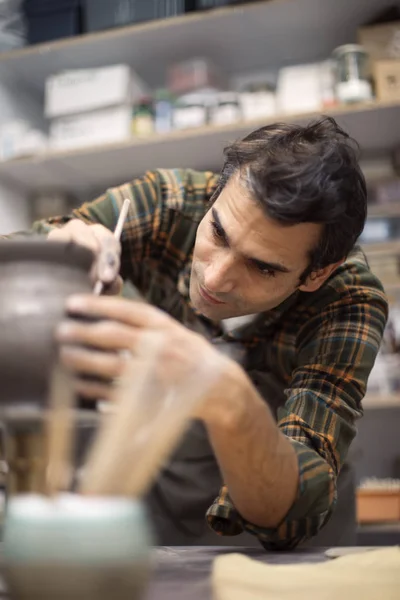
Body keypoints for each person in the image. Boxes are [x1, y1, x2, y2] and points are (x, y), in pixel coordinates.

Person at [14, 117, 388, 549]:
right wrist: (64, 255)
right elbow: (19, 261)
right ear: (214, 197)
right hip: (164, 501)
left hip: (286, 526)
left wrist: (229, 395)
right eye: (218, 233)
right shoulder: (167, 202)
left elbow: (294, 504)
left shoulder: (348, 300)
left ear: (316, 274)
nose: (215, 278)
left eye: (263, 267)